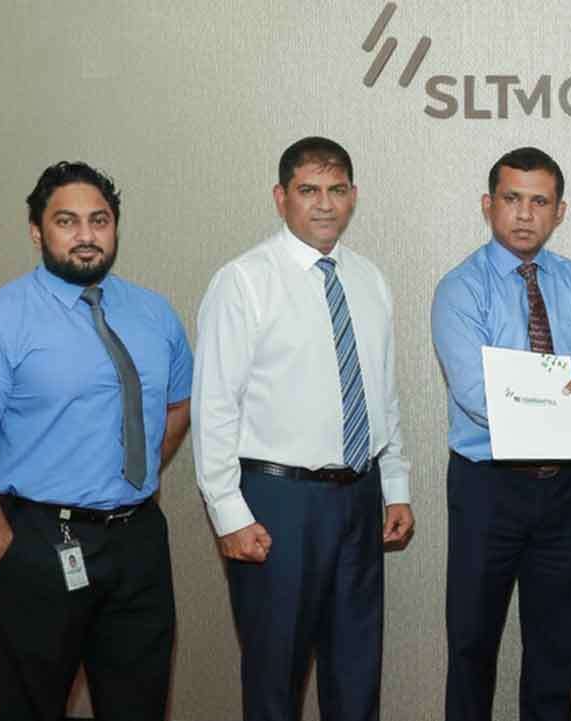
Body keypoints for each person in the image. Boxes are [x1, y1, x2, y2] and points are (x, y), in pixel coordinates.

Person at [0, 161, 193, 720]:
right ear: (37, 232)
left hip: (139, 542)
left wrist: (132, 469)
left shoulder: (154, 313)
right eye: (67, 221)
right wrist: (3, 550)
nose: (86, 235)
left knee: (140, 705)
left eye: (99, 220)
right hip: (40, 541)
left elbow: (178, 406)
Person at [192, 136, 414, 721]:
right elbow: (214, 406)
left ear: (353, 196)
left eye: (336, 190)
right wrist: (228, 512)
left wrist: (395, 486)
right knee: (276, 676)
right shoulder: (243, 281)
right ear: (280, 197)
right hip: (277, 502)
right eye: (308, 190)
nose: (324, 204)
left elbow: (382, 392)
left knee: (357, 672)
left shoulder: (369, 279)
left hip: (359, 497)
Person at [430, 146, 571, 721]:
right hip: (489, 489)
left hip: (564, 491)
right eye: (511, 198)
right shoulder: (461, 288)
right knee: (471, 647)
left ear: (559, 212)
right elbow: (478, 396)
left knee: (556, 654)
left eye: (539, 202)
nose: (523, 214)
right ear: (488, 204)